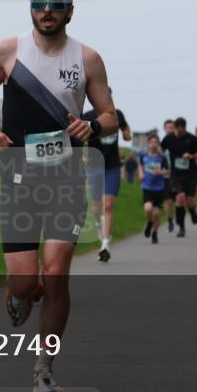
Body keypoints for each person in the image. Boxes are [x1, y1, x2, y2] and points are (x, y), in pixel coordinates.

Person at [0, 0, 116, 392]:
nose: (47, 10)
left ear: (70, 11)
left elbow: (109, 115)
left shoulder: (88, 59)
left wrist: (92, 124)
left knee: (55, 274)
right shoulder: (8, 51)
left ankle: (43, 367)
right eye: (39, 4)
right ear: (30, 9)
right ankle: (20, 294)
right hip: (18, 178)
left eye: (56, 4)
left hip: (66, 177)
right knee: (25, 283)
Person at [83, 89, 131, 262]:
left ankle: (105, 244)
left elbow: (125, 126)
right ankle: (98, 224)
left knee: (108, 204)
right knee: (96, 206)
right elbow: (79, 137)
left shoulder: (117, 115)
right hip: (95, 167)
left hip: (112, 166)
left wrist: (127, 133)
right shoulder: (88, 116)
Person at [160, 117, 197, 237]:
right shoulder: (169, 138)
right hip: (176, 175)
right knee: (180, 198)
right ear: (176, 128)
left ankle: (193, 211)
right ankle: (181, 227)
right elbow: (160, 150)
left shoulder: (192, 139)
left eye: (183, 129)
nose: (181, 132)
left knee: (190, 201)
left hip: (190, 175)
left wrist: (192, 156)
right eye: (179, 130)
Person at [138, 133, 170, 244]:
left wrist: (160, 172)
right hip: (147, 187)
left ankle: (155, 233)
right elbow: (140, 165)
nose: (153, 144)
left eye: (155, 142)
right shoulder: (144, 156)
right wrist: (141, 173)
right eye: (151, 142)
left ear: (158, 144)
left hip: (159, 188)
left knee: (156, 214)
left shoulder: (162, 157)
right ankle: (149, 222)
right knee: (148, 209)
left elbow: (168, 170)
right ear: (148, 144)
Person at [160, 120, 177, 232]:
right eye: (168, 128)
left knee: (178, 200)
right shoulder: (161, 144)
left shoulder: (178, 142)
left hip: (177, 176)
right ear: (164, 129)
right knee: (169, 201)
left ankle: (178, 219)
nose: (170, 130)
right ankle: (170, 221)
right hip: (165, 177)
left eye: (172, 127)